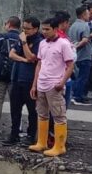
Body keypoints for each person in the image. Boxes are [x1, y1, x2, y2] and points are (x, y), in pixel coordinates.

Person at [29, 18, 75, 157]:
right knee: (42, 114)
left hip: (54, 84)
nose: (44, 32)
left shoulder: (63, 44)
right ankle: (41, 142)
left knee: (59, 116)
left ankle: (59, 146)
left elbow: (70, 64)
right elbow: (39, 64)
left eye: (47, 29)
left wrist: (62, 82)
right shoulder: (42, 43)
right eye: (43, 29)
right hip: (42, 83)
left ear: (56, 29)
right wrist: (34, 84)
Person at [4, 17, 43, 145]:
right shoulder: (21, 39)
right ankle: (14, 134)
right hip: (16, 79)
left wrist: (25, 44)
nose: (24, 31)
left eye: (28, 28)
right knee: (15, 110)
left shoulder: (39, 41)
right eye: (24, 28)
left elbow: (32, 57)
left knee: (32, 111)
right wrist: (23, 59)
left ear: (36, 29)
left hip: (30, 80)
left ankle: (31, 135)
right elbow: (12, 54)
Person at [0, 16, 21, 135]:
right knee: (16, 101)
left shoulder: (0, 37)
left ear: (9, 24)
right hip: (15, 75)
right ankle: (17, 126)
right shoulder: (22, 39)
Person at [68, 6, 92, 106]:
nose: (89, 15)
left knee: (76, 76)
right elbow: (85, 40)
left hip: (75, 56)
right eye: (88, 14)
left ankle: (73, 95)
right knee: (83, 77)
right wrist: (77, 46)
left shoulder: (73, 26)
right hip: (84, 55)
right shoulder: (85, 26)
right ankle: (78, 97)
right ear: (83, 15)